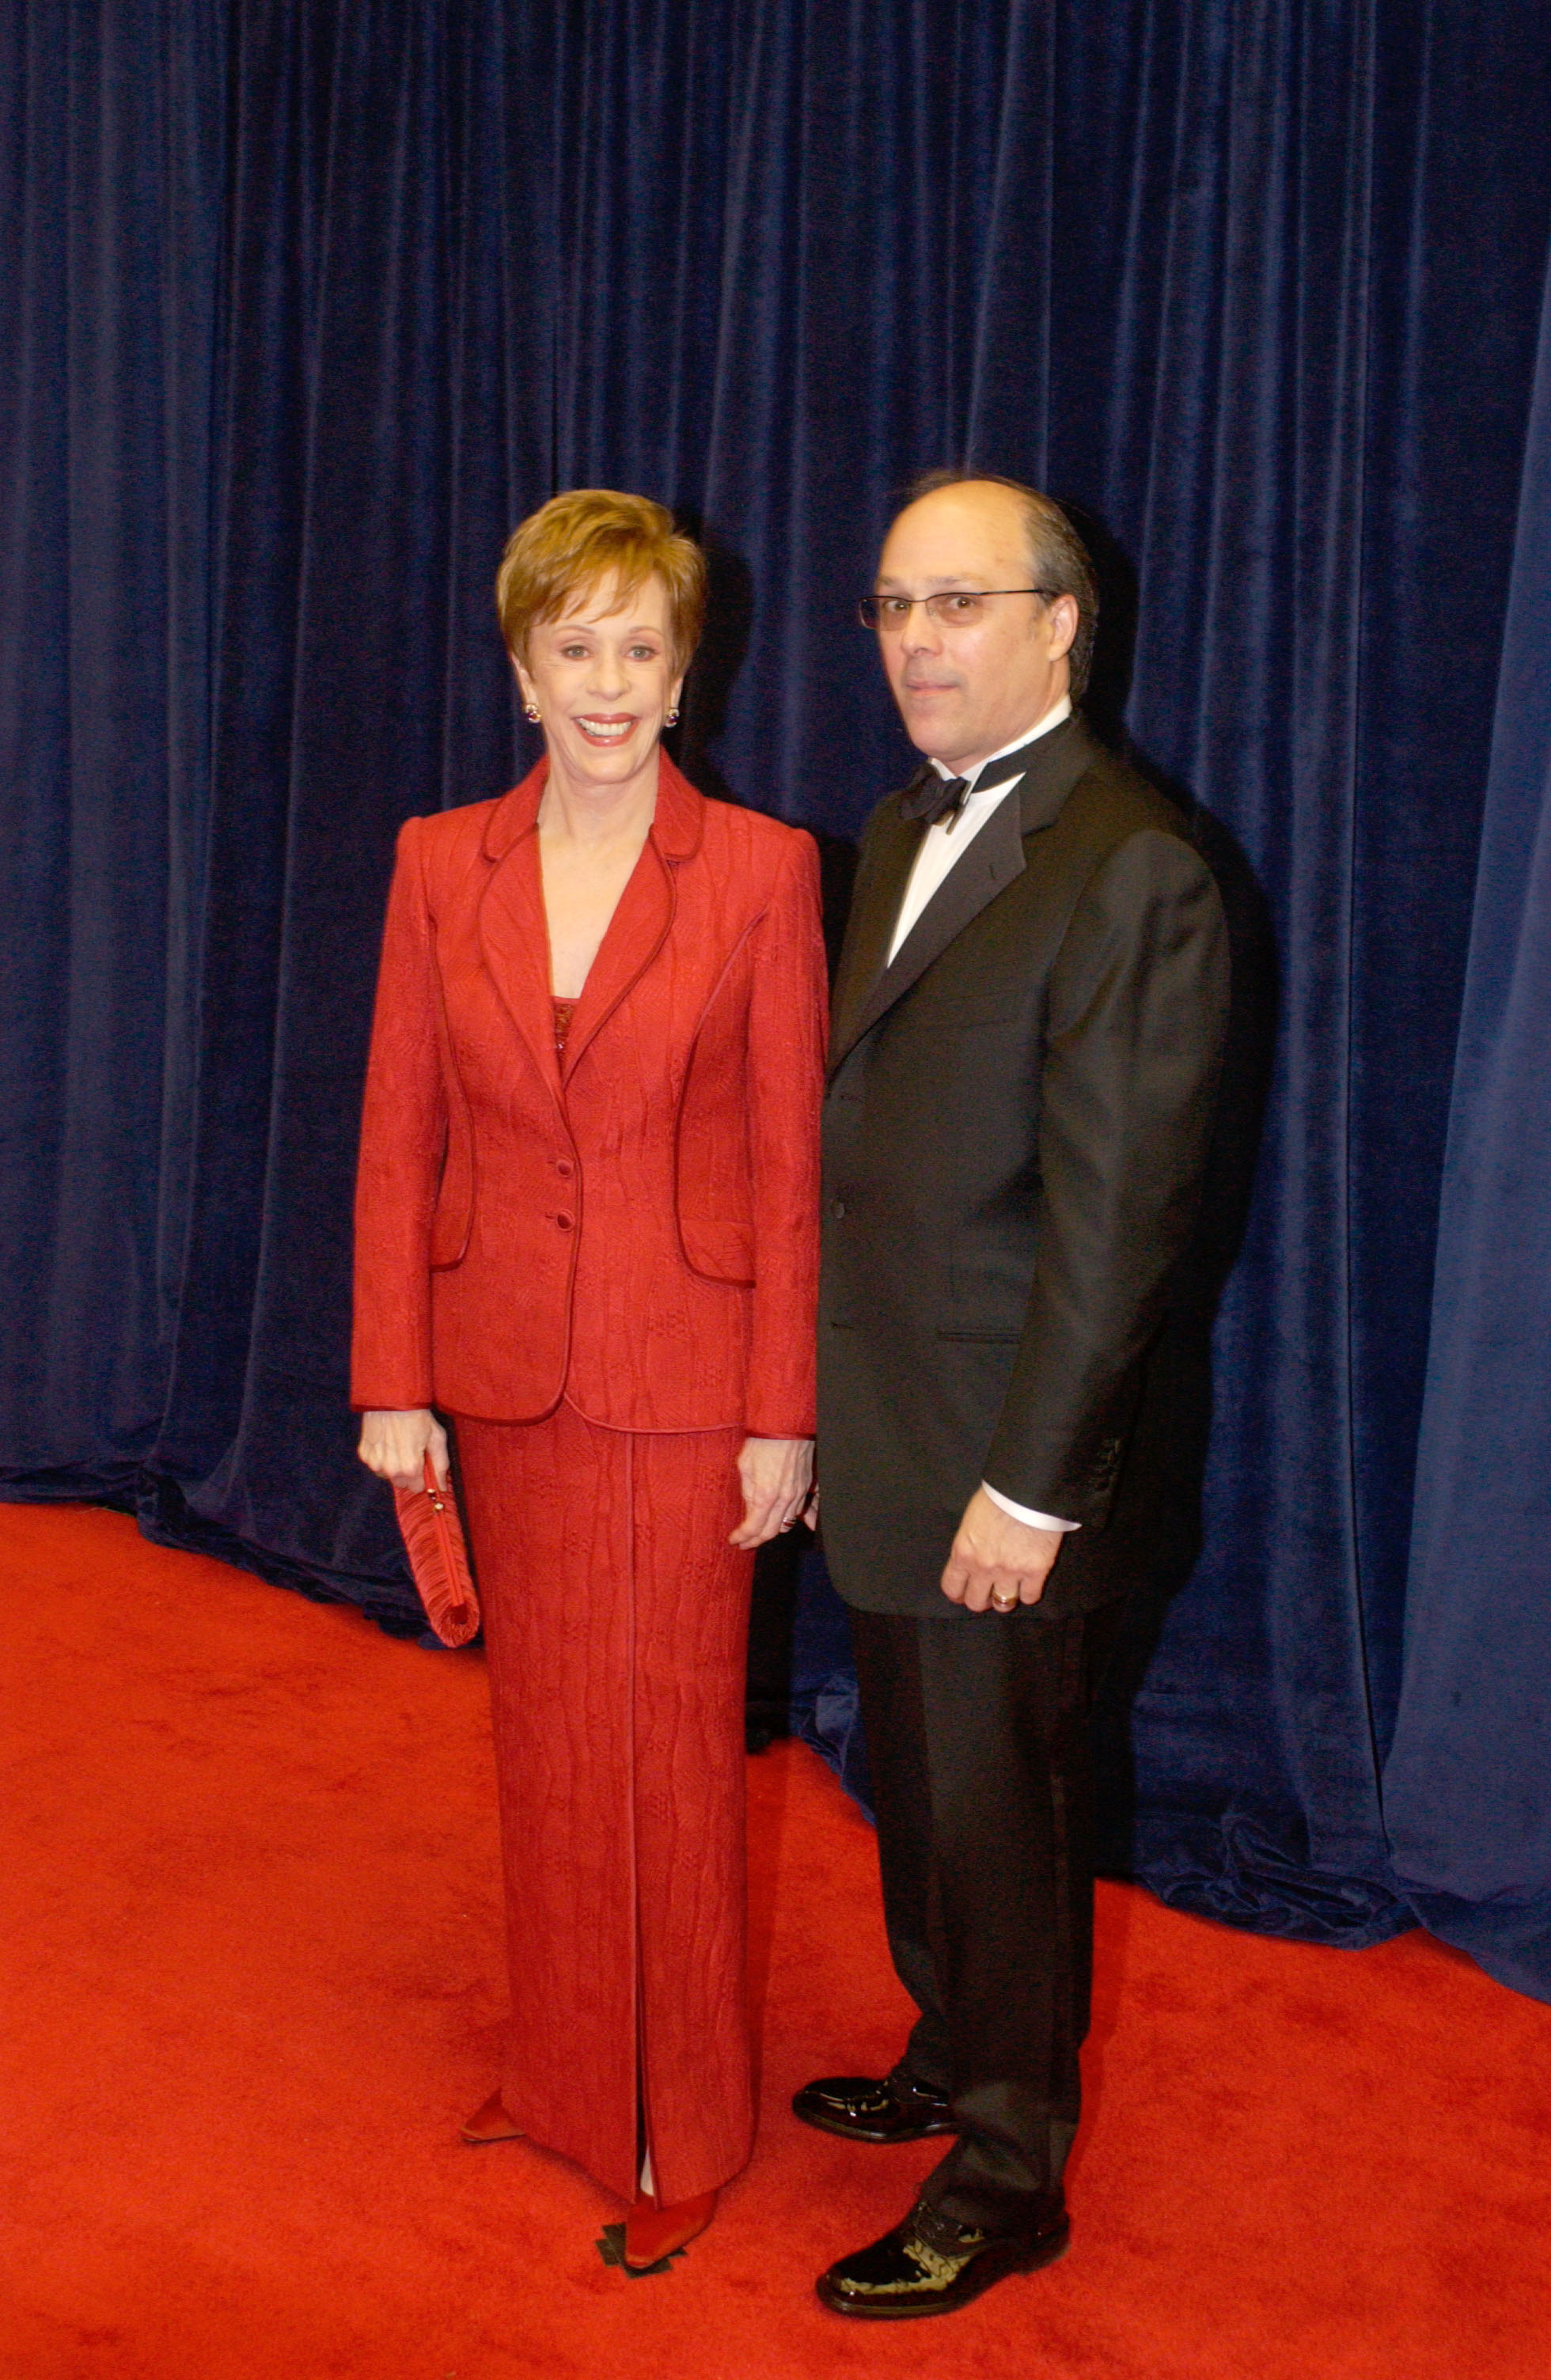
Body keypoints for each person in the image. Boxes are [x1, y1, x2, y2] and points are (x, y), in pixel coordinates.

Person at [352, 489, 826, 2272]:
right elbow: (397, 1137)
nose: (612, 682)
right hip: (499, 1379)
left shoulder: (764, 870)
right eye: (579, 649)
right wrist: (392, 1374)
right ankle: (562, 2079)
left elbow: (790, 1167)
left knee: (673, 1769)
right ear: (520, 670)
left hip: (690, 1386)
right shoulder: (430, 860)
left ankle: (680, 2124)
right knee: (546, 1750)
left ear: (684, 673)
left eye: (645, 648)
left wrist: (784, 1410)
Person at [801, 472, 1230, 2318]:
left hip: (1010, 1467)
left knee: (1002, 1812)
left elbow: (1123, 1223)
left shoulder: (1131, 860)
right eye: (894, 602)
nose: (914, 639)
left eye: (957, 604)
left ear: (1062, 623)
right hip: (892, 1426)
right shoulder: (905, 822)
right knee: (917, 1785)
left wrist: (1032, 1491)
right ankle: (942, 2034)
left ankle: (1003, 2168)